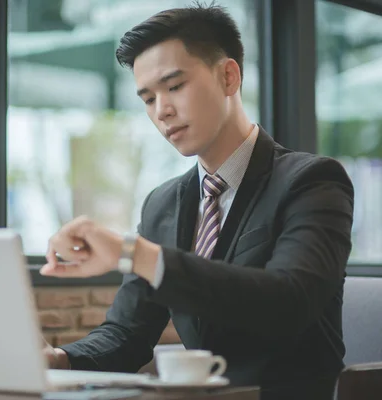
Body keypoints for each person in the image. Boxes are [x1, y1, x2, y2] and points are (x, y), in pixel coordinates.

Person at [39, 3, 354, 400]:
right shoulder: (163, 204)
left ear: (228, 76)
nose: (162, 111)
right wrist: (59, 359)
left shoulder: (311, 181)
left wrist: (137, 254)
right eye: (148, 99)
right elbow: (128, 334)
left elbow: (287, 302)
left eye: (174, 86)